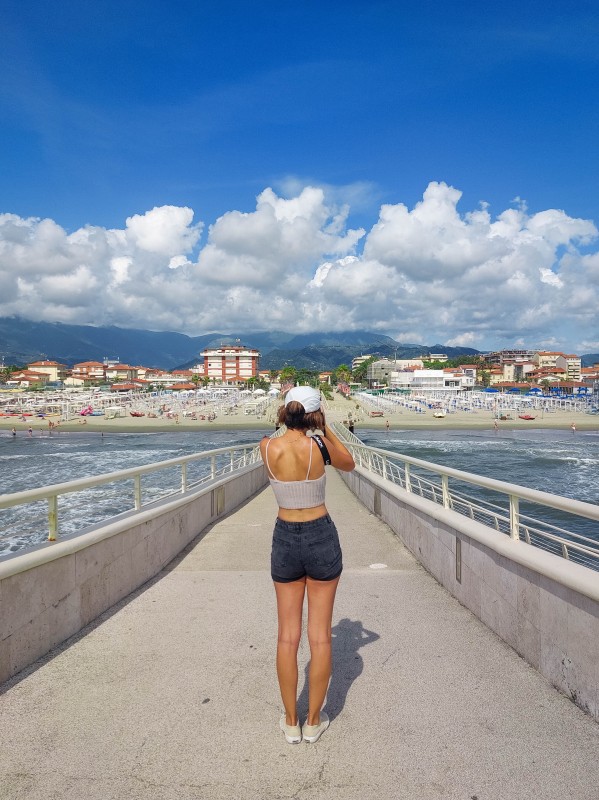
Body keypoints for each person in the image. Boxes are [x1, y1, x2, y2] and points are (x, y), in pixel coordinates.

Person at [260, 386, 355, 745]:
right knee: (320, 636)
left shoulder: (266, 446)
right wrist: (326, 428)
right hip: (319, 534)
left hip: (284, 535)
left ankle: (290, 720)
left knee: (287, 636)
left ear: (286, 411)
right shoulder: (319, 446)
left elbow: (281, 429)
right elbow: (349, 462)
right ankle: (314, 721)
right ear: (314, 414)